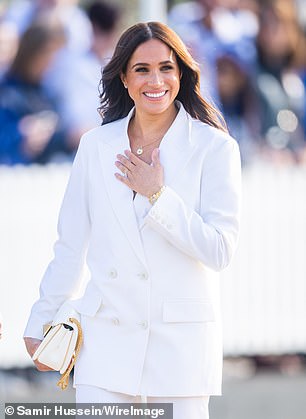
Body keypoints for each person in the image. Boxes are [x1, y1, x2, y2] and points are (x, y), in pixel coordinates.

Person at [24, 22, 241, 418]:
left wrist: (158, 196)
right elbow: (70, 245)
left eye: (166, 68)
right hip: (105, 341)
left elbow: (220, 250)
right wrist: (41, 318)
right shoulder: (95, 146)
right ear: (124, 77)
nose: (155, 80)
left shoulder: (216, 149)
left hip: (181, 348)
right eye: (141, 69)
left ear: (182, 75)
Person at [0, 16, 70, 164]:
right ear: (31, 51)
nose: (51, 61)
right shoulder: (6, 93)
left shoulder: (46, 93)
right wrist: (20, 134)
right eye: (47, 53)